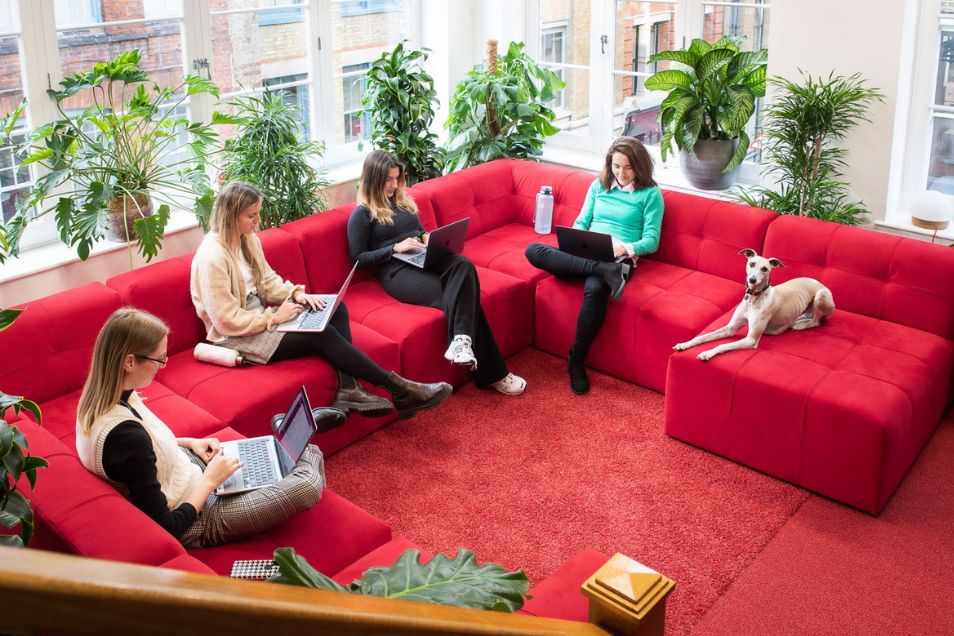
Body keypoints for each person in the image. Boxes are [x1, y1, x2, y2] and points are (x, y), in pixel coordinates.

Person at [75, 307, 337, 547]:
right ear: (129, 362)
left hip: (188, 470)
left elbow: (139, 453)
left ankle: (287, 438)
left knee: (271, 456)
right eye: (159, 359)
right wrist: (211, 480)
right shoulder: (125, 436)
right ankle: (292, 437)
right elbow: (167, 527)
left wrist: (191, 443)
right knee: (307, 481)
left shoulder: (101, 400)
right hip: (200, 516)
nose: (162, 367)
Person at [190, 181, 452, 420]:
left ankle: (349, 388)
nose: (257, 221)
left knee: (334, 308)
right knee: (319, 333)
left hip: (259, 318)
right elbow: (225, 321)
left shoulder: (247, 239)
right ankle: (400, 389)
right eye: (251, 216)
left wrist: (297, 295)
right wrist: (274, 318)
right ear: (229, 217)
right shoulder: (212, 257)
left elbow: (268, 282)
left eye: (257, 213)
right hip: (238, 336)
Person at [347, 150, 526, 396]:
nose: (393, 184)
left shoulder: (403, 200)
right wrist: (394, 248)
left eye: (396, 178)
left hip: (422, 257)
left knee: (462, 264)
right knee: (464, 297)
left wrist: (428, 238)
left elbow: (419, 230)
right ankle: (493, 373)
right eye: (388, 179)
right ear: (373, 178)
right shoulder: (362, 213)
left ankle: (461, 343)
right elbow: (358, 258)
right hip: (396, 271)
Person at [525, 137, 664, 395]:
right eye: (616, 166)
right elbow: (582, 221)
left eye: (628, 167)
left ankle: (576, 360)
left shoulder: (650, 195)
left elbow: (651, 240)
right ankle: (604, 272)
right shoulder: (598, 187)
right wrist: (576, 239)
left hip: (618, 257)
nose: (621, 173)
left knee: (595, 289)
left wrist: (625, 248)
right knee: (534, 250)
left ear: (640, 167)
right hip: (588, 253)